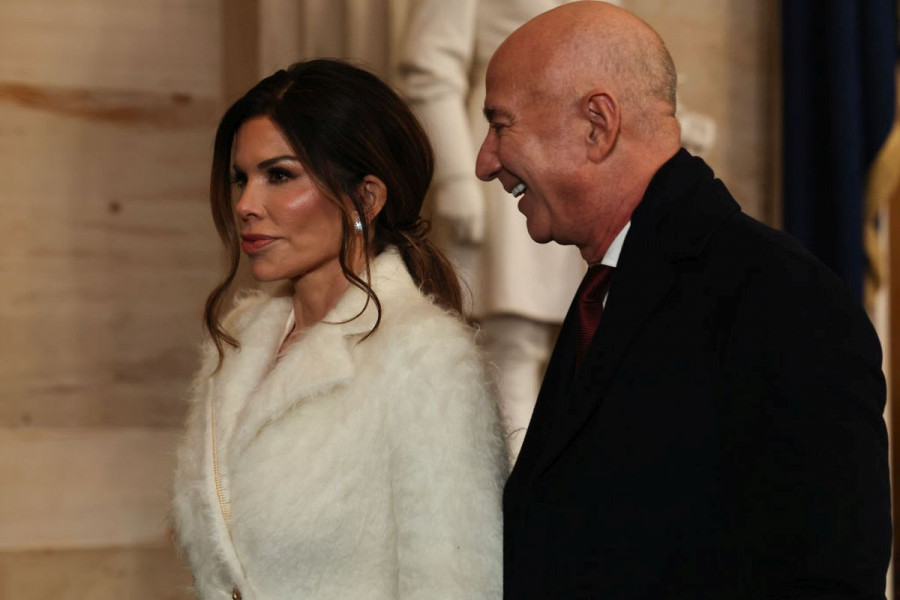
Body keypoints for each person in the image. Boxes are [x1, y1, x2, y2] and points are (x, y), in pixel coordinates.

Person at [475, 2, 891, 598]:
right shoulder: (611, 287)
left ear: (597, 125)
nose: (485, 162)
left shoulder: (783, 299)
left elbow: (827, 576)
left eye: (500, 124)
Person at [172, 59, 505, 600]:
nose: (246, 205)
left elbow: (455, 581)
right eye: (241, 178)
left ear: (366, 198)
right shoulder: (236, 339)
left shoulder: (426, 357)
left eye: (280, 175)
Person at [397, 0, 585, 464]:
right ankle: (515, 493)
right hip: (503, 171)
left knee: (579, 352)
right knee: (512, 349)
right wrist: (456, 178)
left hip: (577, 174)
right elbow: (429, 69)